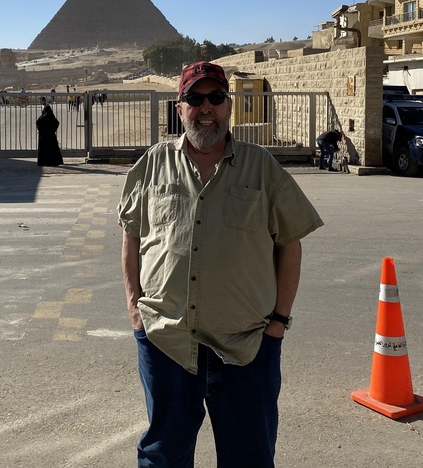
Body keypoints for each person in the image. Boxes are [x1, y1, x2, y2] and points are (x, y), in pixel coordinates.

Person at [118, 61, 323, 467]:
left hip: (246, 345)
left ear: (229, 105)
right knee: (164, 455)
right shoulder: (153, 164)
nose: (205, 107)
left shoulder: (261, 166)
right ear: (180, 109)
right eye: (194, 99)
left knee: (249, 455)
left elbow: (291, 243)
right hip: (167, 341)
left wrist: (279, 322)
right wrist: (134, 307)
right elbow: (132, 234)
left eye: (215, 97)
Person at [36, 96, 63, 166]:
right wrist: (52, 130)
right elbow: (56, 123)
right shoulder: (48, 113)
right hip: (50, 135)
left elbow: (40, 121)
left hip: (45, 134)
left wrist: (42, 129)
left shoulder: (46, 111)